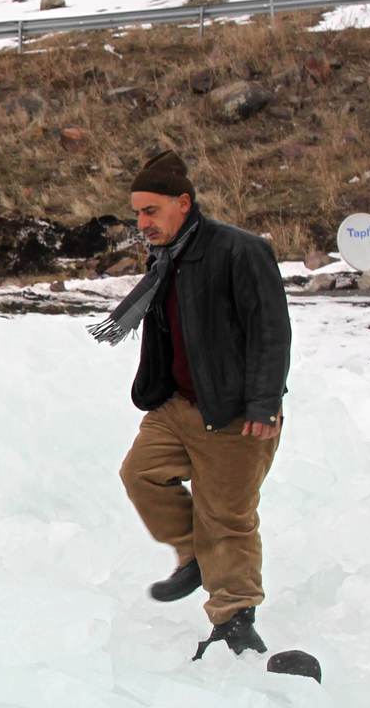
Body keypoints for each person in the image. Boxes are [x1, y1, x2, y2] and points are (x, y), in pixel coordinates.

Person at [90, 151, 291, 658]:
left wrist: (264, 403)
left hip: (234, 413)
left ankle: (235, 621)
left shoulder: (240, 252)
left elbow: (271, 332)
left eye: (151, 211)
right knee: (140, 474)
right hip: (177, 405)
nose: (142, 223)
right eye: (137, 212)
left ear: (183, 203)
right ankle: (195, 555)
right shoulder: (167, 258)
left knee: (226, 518)